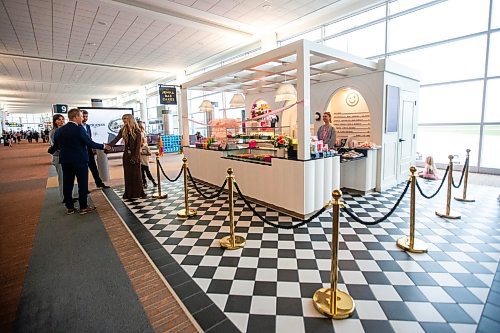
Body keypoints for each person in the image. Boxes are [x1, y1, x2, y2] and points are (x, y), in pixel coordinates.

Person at [54, 109, 110, 215]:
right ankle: (83, 206)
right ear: (75, 117)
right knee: (82, 184)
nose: (82, 118)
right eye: (80, 116)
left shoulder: (59, 130)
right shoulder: (79, 129)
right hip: (80, 160)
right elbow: (89, 143)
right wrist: (103, 146)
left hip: (65, 161)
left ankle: (69, 207)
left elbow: (56, 146)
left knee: (68, 183)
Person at [107, 114, 145, 199]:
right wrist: (108, 146)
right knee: (127, 174)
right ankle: (129, 193)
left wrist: (135, 157)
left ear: (130, 119)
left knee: (136, 175)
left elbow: (138, 146)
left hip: (135, 156)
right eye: (123, 119)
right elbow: (116, 139)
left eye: (126, 118)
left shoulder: (137, 131)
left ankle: (138, 192)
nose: (124, 120)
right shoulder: (123, 130)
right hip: (126, 156)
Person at [49, 114, 78, 202]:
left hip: (65, 156)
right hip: (59, 157)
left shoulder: (62, 130)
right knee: (62, 178)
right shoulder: (54, 131)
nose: (62, 121)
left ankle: (69, 196)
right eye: (59, 120)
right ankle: (65, 198)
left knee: (68, 178)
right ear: (55, 121)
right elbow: (56, 145)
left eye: (63, 119)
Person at [81, 110, 110, 189]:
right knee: (83, 171)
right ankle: (84, 188)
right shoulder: (77, 127)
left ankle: (99, 183)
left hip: (89, 150)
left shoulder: (87, 126)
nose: (85, 118)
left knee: (94, 168)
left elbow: (89, 139)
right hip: (81, 152)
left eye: (86, 116)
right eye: (83, 116)